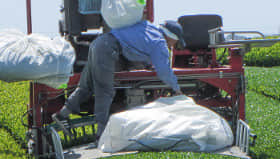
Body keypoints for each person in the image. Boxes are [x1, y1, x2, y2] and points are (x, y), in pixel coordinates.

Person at [53, 19, 185, 140]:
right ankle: (100, 134)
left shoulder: (148, 27)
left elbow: (138, 47)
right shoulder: (159, 42)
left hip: (98, 43)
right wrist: (176, 88)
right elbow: (164, 71)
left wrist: (147, 65)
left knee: (86, 86)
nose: (174, 45)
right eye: (176, 42)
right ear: (171, 36)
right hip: (108, 49)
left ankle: (62, 114)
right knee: (105, 90)